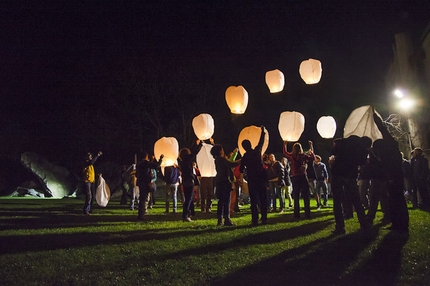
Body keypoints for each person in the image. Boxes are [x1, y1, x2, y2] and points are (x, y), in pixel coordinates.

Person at [373, 112, 409, 233]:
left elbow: (383, 130)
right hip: (393, 177)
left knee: (397, 200)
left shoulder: (390, 150)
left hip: (395, 177)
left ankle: (401, 224)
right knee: (394, 200)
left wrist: (375, 117)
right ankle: (397, 223)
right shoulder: (388, 152)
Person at [329, 136, 370, 234]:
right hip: (350, 174)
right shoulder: (362, 149)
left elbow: (333, 152)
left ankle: (340, 227)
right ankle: (363, 224)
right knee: (356, 200)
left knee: (337, 201)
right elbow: (362, 163)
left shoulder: (344, 142)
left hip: (337, 172)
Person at [240, 126, 268, 226]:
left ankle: (254, 219)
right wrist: (263, 132)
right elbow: (261, 142)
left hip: (252, 180)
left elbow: (241, 169)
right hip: (261, 178)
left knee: (254, 200)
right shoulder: (257, 151)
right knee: (263, 198)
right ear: (250, 144)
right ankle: (264, 218)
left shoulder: (245, 157)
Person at [283, 140, 314, 219]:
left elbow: (285, 152)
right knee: (305, 196)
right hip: (303, 176)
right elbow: (312, 158)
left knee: (296, 196)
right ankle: (307, 214)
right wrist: (311, 146)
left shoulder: (292, 156)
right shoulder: (303, 155)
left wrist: (285, 144)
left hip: (295, 177)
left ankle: (296, 215)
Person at [211, 145, 241, 226]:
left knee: (221, 201)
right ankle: (226, 219)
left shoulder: (217, 159)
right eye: (222, 149)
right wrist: (241, 160)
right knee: (226, 201)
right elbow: (232, 164)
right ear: (220, 151)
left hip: (220, 181)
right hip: (224, 181)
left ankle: (220, 219)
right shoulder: (221, 159)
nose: (223, 151)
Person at [178, 140, 203, 222]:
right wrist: (200, 145)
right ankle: (185, 215)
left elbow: (193, 151)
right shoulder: (188, 159)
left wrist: (195, 144)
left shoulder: (182, 161)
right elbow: (194, 152)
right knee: (189, 199)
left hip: (185, 180)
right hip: (189, 180)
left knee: (188, 198)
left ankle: (190, 213)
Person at [135, 152, 163, 220]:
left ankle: (141, 214)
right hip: (145, 183)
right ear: (146, 157)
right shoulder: (145, 163)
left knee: (142, 198)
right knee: (143, 199)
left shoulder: (139, 164)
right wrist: (160, 159)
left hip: (141, 182)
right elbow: (156, 166)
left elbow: (137, 174)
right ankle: (141, 215)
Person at [82, 151, 102, 215]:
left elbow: (91, 173)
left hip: (92, 181)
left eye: (91, 156)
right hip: (87, 181)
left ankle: (89, 209)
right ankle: (86, 210)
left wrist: (98, 175)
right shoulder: (86, 163)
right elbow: (91, 162)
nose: (91, 157)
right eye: (90, 156)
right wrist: (97, 155)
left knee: (93, 196)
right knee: (89, 196)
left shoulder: (91, 165)